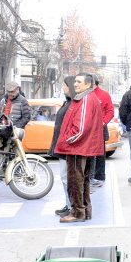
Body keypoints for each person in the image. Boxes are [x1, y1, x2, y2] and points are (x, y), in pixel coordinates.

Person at [54, 73, 104, 223]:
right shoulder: (88, 98)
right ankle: (85, 211)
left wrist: (67, 141)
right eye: (75, 81)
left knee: (75, 182)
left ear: (88, 84)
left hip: (77, 148)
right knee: (83, 181)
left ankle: (77, 213)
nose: (75, 84)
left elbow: (81, 128)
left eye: (79, 82)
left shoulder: (85, 99)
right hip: (82, 147)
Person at [51, 76, 76, 217]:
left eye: (65, 86)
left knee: (67, 178)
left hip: (68, 147)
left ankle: (72, 206)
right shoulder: (67, 102)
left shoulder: (73, 104)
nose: (63, 88)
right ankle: (69, 204)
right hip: (63, 146)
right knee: (65, 177)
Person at [88, 74, 114, 190]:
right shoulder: (85, 94)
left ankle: (99, 177)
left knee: (100, 154)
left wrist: (103, 122)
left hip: (100, 128)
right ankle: (89, 177)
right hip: (87, 129)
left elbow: (110, 111)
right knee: (88, 154)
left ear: (93, 83)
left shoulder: (104, 95)